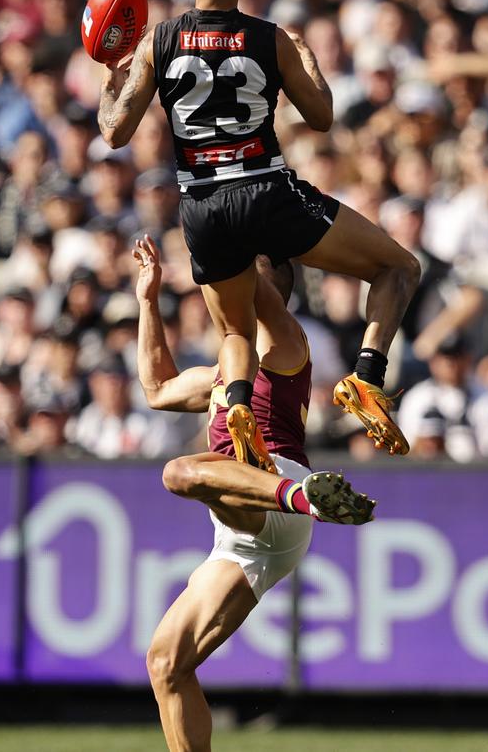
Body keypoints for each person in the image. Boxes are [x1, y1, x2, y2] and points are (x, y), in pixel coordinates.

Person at [99, 0, 420, 463]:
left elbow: (114, 132)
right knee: (400, 268)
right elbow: (320, 117)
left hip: (201, 205)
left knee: (236, 331)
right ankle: (367, 377)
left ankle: (239, 401)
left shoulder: (159, 40)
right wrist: (308, 57)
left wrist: (112, 80)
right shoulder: (270, 38)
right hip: (265, 190)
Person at [132, 234, 375, 752]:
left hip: (278, 488)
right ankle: (306, 498)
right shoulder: (223, 371)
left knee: (180, 473)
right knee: (166, 663)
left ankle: (307, 497)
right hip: (243, 530)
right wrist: (148, 300)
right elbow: (156, 390)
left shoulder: (284, 343)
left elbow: (246, 286)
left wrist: (220, 223)